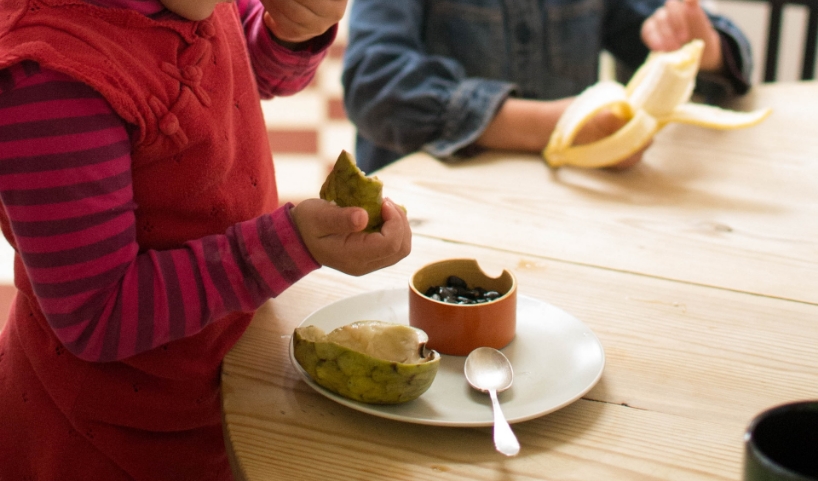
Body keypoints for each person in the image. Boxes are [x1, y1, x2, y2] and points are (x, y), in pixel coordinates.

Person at [0, 0, 411, 477]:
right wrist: (287, 246)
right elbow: (97, 315)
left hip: (222, 370)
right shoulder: (47, 83)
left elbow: (248, 69)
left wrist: (288, 33)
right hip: (114, 436)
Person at [342, 0, 754, 173]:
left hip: (566, 209)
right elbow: (376, 86)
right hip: (430, 218)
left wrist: (705, 48)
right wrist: (551, 126)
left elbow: (655, 28)